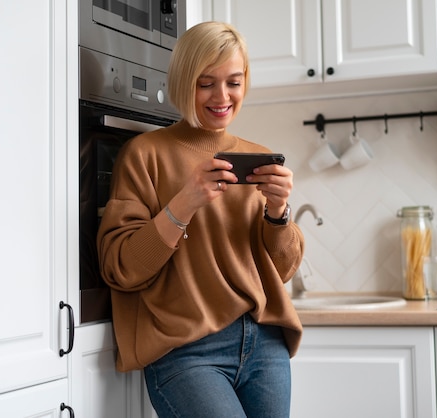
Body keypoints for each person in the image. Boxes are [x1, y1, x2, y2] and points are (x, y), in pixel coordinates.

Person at [97, 21, 304, 418]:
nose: (221, 96)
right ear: (183, 81)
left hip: (263, 343)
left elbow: (280, 270)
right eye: (205, 82)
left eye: (234, 82)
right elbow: (120, 267)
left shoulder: (257, 157)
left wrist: (278, 214)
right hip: (186, 349)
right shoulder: (145, 155)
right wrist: (184, 203)